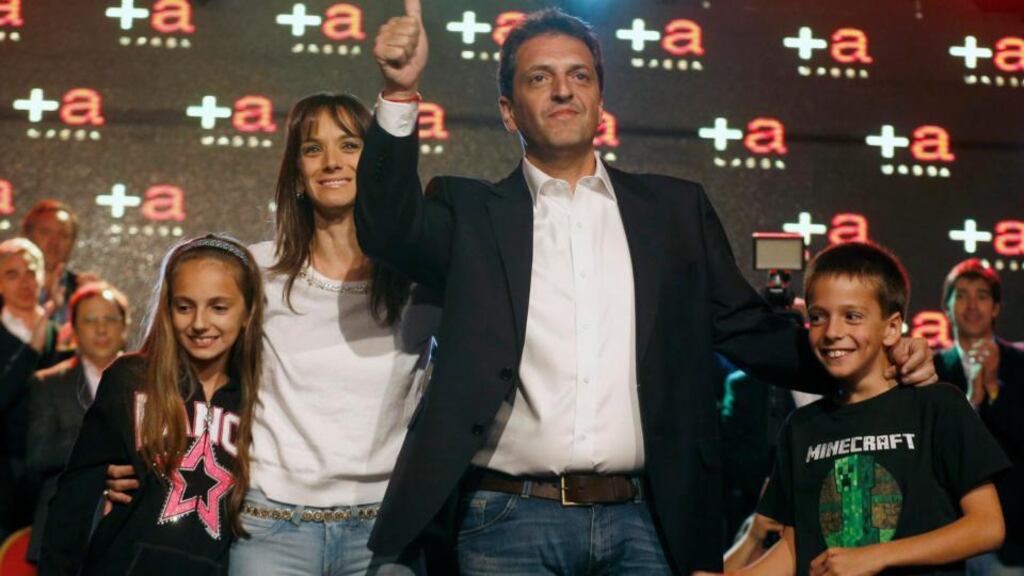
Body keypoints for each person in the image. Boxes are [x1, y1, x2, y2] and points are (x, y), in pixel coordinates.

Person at [355, 4, 937, 574]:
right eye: (540, 77)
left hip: (649, 522)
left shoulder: (675, 211)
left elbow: (749, 329)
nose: (563, 90)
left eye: (578, 75)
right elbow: (386, 227)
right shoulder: (471, 211)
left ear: (600, 102)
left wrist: (873, 360)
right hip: (507, 517)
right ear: (509, 111)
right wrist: (400, 92)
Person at [105, 94, 437, 575]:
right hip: (271, 531)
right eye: (312, 149)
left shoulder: (416, 280)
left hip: (383, 537)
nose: (332, 162)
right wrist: (129, 461)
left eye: (349, 145)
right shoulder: (256, 271)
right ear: (296, 174)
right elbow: (173, 371)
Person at [734, 242, 1008, 576]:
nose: (833, 332)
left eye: (852, 317)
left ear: (892, 327)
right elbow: (794, 550)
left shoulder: (937, 406)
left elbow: (987, 526)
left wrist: (876, 555)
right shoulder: (801, 427)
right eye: (819, 317)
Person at [39, 234, 264, 575]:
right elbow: (74, 495)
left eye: (219, 307)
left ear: (248, 312)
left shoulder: (260, 395)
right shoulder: (130, 378)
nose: (200, 323)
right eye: (184, 306)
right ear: (167, 308)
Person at [25, 282, 130, 563]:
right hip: (63, 526)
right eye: (90, 320)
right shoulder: (48, 383)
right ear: (73, 329)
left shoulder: (148, 382)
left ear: (125, 326)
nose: (101, 328)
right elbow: (38, 455)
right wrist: (101, 451)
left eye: (109, 318)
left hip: (128, 527)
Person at [935, 259, 1024, 575]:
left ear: (996, 307)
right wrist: (972, 398)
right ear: (947, 308)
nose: (972, 305)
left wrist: (993, 392)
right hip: (946, 534)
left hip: (1012, 538)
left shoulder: (1019, 364)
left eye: (982, 296)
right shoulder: (930, 369)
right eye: (961, 295)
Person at [0, 238, 61, 539]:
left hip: (48, 473)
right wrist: (31, 351)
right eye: (12, 274)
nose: (24, 282)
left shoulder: (60, 332)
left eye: (30, 272)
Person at [20, 200, 96, 326]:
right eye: (45, 233)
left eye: (64, 235)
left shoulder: (82, 291)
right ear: (27, 236)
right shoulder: (6, 287)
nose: (54, 242)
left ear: (72, 242)